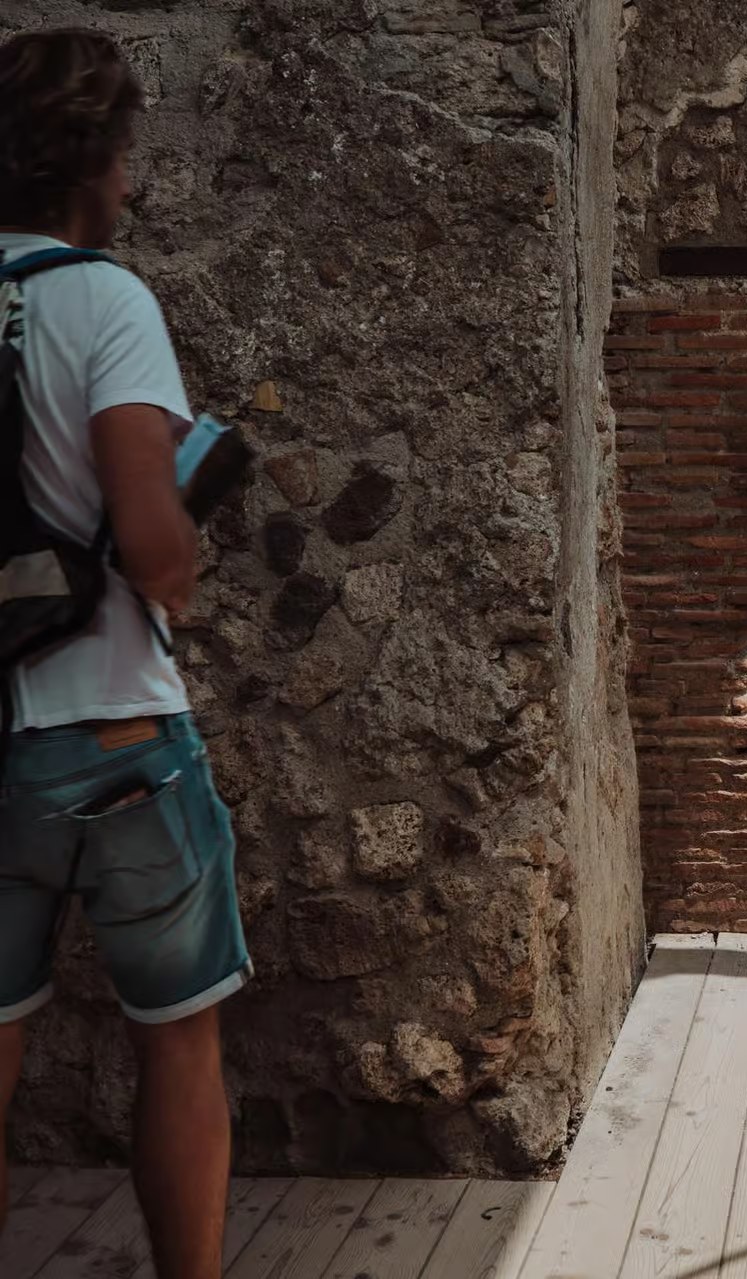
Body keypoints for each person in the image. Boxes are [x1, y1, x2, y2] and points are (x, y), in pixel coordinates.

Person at [0, 28, 248, 1278]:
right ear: (90, 161)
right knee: (179, 1040)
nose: (136, 187)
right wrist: (180, 560)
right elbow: (153, 542)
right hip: (114, 730)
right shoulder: (103, 298)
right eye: (128, 158)